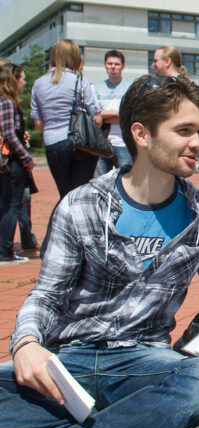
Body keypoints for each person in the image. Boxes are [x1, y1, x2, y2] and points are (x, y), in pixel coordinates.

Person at [0, 74, 199, 428]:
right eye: (184, 131)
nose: (197, 142)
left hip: (144, 365)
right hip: (68, 364)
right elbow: (46, 296)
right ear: (141, 134)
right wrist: (26, 344)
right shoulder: (81, 205)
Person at [30, 39, 102, 199]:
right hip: (79, 143)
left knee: (64, 194)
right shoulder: (80, 81)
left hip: (52, 144)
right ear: (74, 57)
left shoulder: (38, 84)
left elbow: (39, 123)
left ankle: (59, 222)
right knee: (78, 195)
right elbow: (96, 118)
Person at [0, 63, 34, 264]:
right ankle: (5, 251)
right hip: (11, 163)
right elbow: (9, 134)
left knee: (5, 206)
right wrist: (26, 158)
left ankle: (4, 249)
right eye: (22, 78)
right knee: (12, 206)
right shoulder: (7, 103)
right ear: (13, 81)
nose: (24, 82)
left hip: (8, 162)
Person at [92, 50, 133, 177]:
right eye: (110, 64)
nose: (113, 67)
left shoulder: (130, 88)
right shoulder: (95, 88)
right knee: (99, 183)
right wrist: (116, 113)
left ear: (123, 66)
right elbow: (93, 116)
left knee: (127, 181)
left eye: (116, 64)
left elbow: (129, 115)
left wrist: (103, 116)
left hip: (123, 143)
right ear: (104, 65)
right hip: (101, 143)